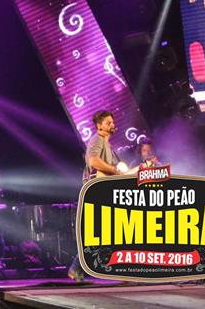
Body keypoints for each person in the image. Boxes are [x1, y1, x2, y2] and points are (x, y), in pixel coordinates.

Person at [69, 110, 121, 282]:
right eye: (108, 123)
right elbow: (93, 161)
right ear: (99, 126)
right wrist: (114, 170)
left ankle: (79, 268)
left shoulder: (108, 145)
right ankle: (77, 267)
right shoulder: (96, 140)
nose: (112, 125)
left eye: (112, 122)